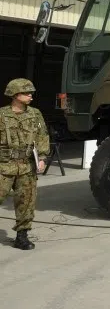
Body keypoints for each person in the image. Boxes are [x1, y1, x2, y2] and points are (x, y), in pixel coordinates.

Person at [0, 78, 49, 250]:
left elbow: (42, 136)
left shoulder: (35, 114)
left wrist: (42, 158)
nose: (31, 96)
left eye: (31, 93)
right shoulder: (2, 115)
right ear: (15, 95)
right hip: (4, 166)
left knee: (26, 202)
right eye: (27, 93)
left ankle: (22, 237)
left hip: (27, 166)